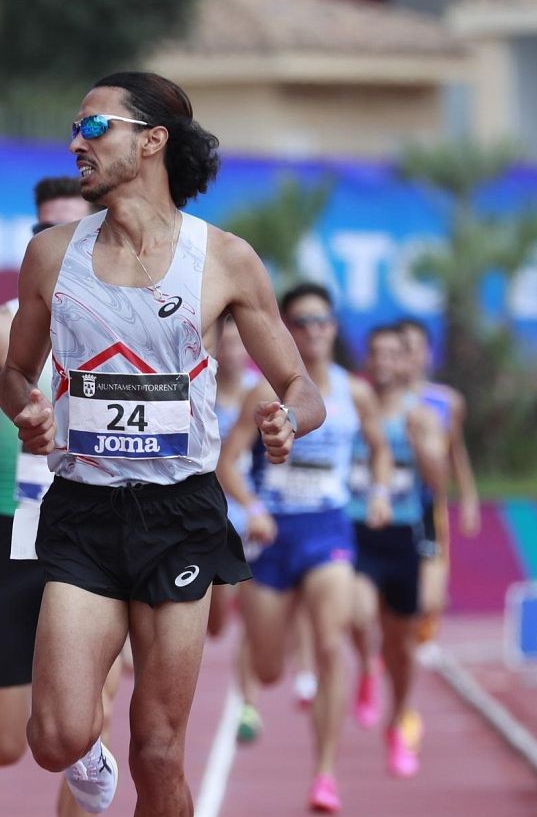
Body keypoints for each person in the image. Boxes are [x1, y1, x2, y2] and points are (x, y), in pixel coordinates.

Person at [0, 71, 326, 816]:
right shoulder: (52, 255)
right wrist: (28, 409)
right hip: (83, 511)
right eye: (73, 128)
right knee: (54, 735)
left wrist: (287, 419)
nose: (75, 143)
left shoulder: (224, 259)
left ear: (151, 141)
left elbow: (303, 388)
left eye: (93, 127)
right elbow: (15, 376)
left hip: (179, 517)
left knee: (158, 746)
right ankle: (88, 757)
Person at [0, 177, 121, 817]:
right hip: (19, 528)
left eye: (70, 234)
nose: (55, 245)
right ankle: (84, 752)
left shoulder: (128, 326)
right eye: (43, 233)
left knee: (85, 717)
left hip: (99, 530)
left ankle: (88, 756)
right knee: (4, 742)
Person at [217, 283, 393, 814]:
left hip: (328, 529)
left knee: (330, 642)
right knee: (268, 668)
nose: (314, 331)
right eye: (302, 322)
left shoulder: (353, 392)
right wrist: (253, 508)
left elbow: (381, 450)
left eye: (323, 321)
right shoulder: (262, 392)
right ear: (286, 331)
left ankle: (325, 774)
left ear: (335, 329)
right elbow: (227, 464)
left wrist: (380, 492)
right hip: (273, 536)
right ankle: (274, 677)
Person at [345, 324, 448, 779]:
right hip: (358, 527)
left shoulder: (421, 414)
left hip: (404, 533)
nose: (384, 362)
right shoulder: (353, 406)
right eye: (377, 354)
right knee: (358, 614)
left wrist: (423, 444)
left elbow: (438, 484)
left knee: (403, 643)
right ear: (368, 361)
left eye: (393, 354)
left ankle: (399, 718)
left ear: (405, 362)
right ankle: (367, 669)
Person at [395, 318, 480, 655]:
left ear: (427, 354)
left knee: (431, 594)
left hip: (430, 503)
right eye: (402, 348)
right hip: (393, 501)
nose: (409, 356)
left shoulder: (447, 402)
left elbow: (455, 450)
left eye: (415, 348)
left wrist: (469, 498)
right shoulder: (380, 400)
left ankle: (423, 636)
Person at [201, 316, 267, 744]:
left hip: (252, 516)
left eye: (239, 342)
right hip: (208, 516)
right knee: (218, 622)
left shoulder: (259, 394)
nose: (232, 351)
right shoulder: (198, 387)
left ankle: (248, 704)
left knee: (252, 620)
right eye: (224, 342)